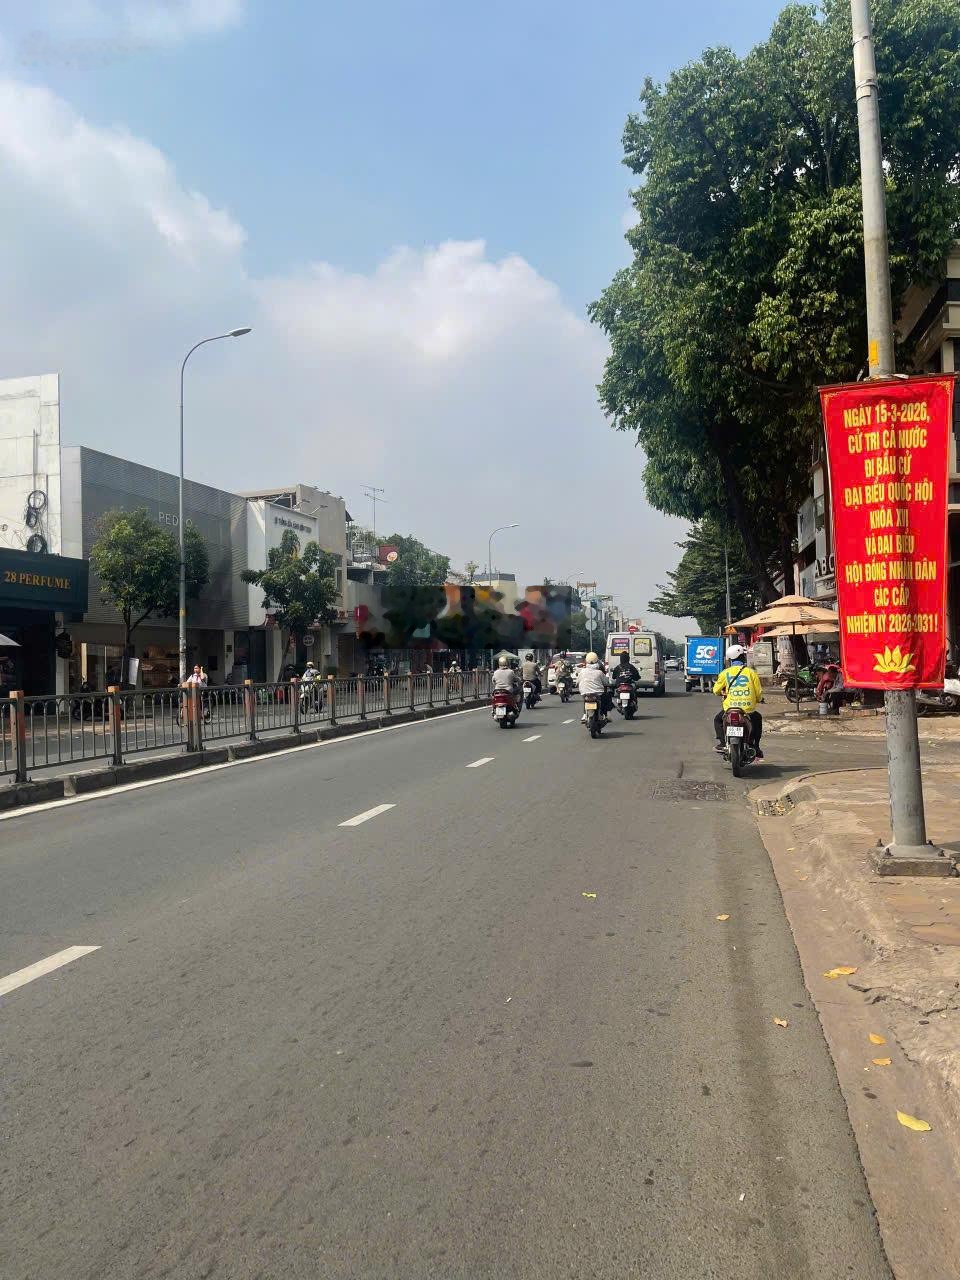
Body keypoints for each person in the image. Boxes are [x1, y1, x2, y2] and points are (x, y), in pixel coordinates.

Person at [712, 645, 764, 757]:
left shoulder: (725, 673)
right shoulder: (751, 673)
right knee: (757, 720)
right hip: (748, 708)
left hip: (730, 708)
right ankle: (756, 746)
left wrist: (722, 693)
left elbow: (716, 690)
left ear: (731, 659)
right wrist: (759, 699)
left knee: (717, 720)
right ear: (743, 658)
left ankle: (722, 743)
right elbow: (758, 692)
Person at [577, 651, 612, 721]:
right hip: (598, 692)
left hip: (584, 692)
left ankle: (584, 714)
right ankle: (606, 714)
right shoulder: (599, 672)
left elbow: (577, 682)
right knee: (606, 698)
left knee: (585, 699)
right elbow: (606, 682)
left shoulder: (582, 671)